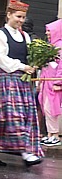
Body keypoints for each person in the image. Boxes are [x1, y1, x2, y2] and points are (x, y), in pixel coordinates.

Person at [0, 0, 43, 167]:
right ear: (9, 15)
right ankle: (1, 151)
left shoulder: (24, 36)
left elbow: (29, 54)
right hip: (4, 79)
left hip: (22, 81)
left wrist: (35, 63)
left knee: (23, 116)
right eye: (18, 16)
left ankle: (26, 150)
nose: (20, 20)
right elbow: (0, 59)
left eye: (23, 18)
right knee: (6, 116)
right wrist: (22, 66)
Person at [38, 19, 62, 147]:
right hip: (47, 83)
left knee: (52, 108)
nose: (47, 33)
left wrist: (58, 81)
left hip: (53, 83)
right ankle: (50, 134)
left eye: (49, 30)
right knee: (46, 108)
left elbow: (61, 66)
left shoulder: (59, 47)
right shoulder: (51, 46)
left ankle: (55, 134)